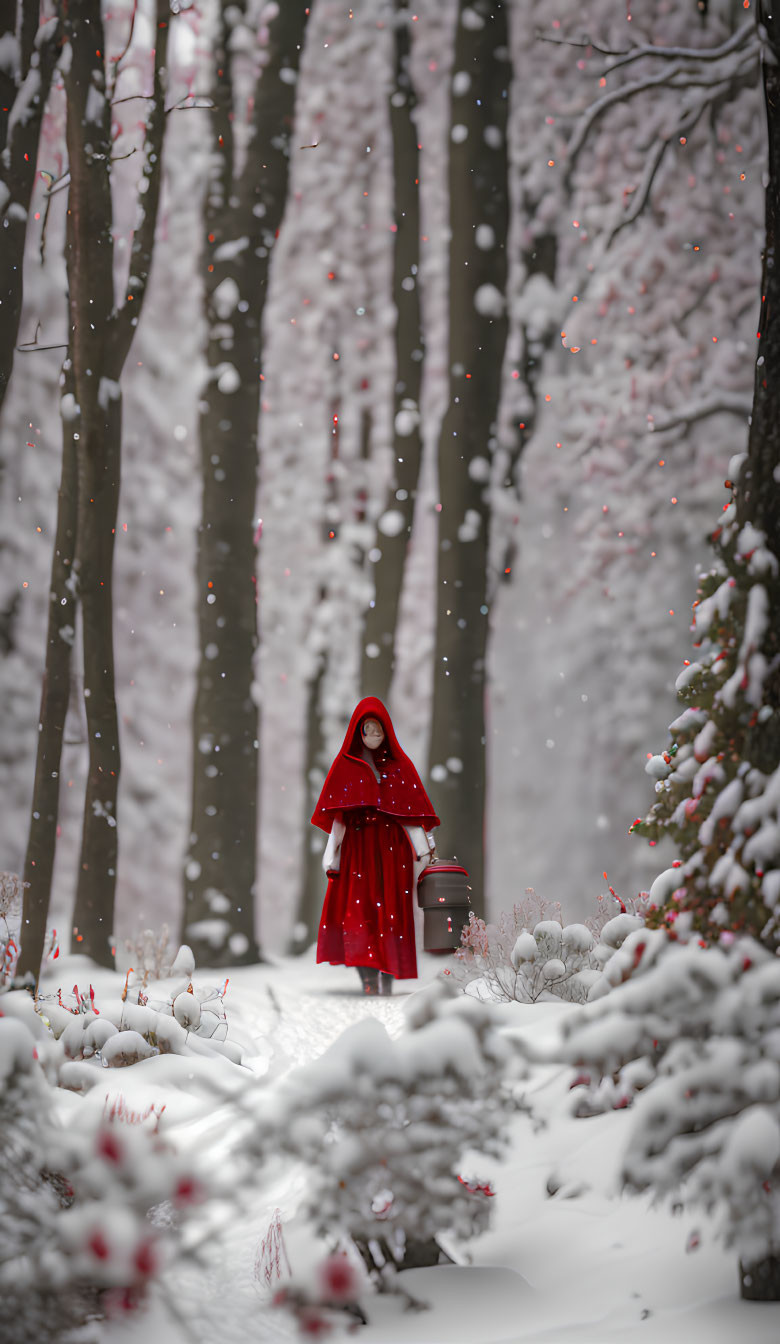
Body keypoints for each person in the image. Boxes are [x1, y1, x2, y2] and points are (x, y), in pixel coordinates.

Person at [311, 697, 439, 994]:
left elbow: (409, 815)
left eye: (378, 729)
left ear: (387, 731)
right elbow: (340, 818)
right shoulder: (345, 766)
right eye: (366, 729)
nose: (372, 736)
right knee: (360, 914)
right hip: (358, 851)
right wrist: (331, 853)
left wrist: (423, 848)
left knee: (391, 915)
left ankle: (388, 975)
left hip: (392, 852)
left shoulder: (399, 766)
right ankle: (367, 977)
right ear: (358, 731)